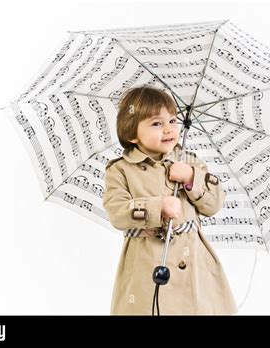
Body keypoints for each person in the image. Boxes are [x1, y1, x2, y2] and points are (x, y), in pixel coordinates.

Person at [102, 86, 237, 315]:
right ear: (131, 133)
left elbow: (214, 204)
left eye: (173, 121)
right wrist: (157, 207)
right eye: (156, 123)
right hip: (147, 263)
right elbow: (117, 211)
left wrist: (191, 178)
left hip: (194, 263)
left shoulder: (189, 161)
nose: (168, 130)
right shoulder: (121, 170)